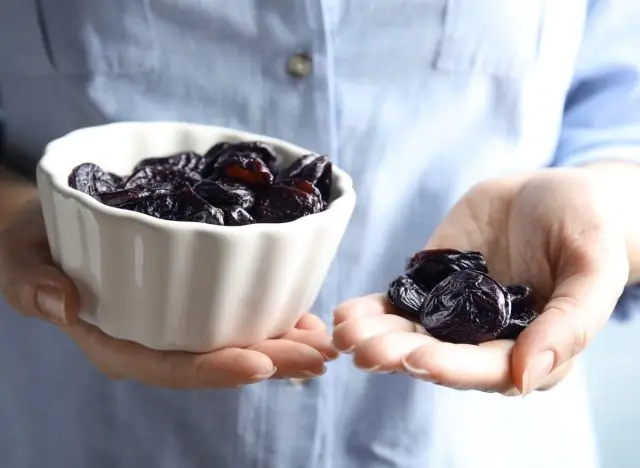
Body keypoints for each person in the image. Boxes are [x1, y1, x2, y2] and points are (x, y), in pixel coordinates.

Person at [1, 1, 639, 467]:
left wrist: (604, 215)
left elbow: (623, 118)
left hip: (475, 441)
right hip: (78, 430)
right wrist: (13, 214)